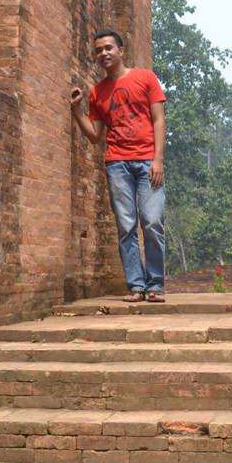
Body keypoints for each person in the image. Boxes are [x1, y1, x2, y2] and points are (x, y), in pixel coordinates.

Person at [70, 29, 167, 302]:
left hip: (148, 161)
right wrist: (77, 109)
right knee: (126, 226)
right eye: (99, 50)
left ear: (121, 51)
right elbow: (94, 136)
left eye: (108, 48)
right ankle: (137, 286)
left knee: (152, 221)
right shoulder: (97, 93)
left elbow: (159, 120)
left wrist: (158, 159)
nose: (104, 53)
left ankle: (156, 284)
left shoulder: (145, 78)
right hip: (117, 164)